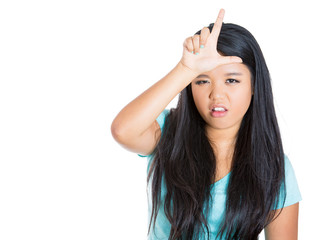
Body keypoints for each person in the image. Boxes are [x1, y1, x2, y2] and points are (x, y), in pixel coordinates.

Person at [111, 9, 302, 240]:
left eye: (231, 80)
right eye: (202, 80)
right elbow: (123, 131)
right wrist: (186, 69)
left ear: (253, 86)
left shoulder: (274, 168)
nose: (216, 94)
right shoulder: (167, 131)